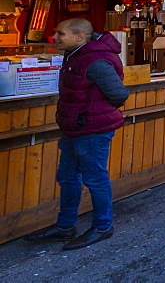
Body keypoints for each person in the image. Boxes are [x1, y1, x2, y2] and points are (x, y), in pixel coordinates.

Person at [24, 19, 128, 250]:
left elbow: (119, 94)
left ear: (80, 36)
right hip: (74, 128)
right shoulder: (75, 54)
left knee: (95, 178)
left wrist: (89, 112)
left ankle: (102, 227)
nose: (55, 37)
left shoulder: (95, 60)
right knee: (68, 177)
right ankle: (65, 226)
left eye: (61, 33)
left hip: (91, 129)